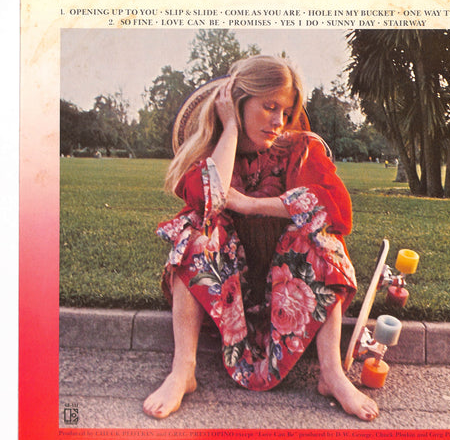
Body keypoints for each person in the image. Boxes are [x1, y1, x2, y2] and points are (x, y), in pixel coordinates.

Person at [143, 55, 379, 421]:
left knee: (319, 234)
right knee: (197, 232)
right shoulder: (210, 154)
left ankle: (332, 373)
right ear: (237, 103)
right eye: (269, 107)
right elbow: (211, 199)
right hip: (228, 299)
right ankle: (183, 370)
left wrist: (253, 205)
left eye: (285, 111)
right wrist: (230, 131)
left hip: (288, 296)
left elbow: (338, 211)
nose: (278, 121)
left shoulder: (300, 149)